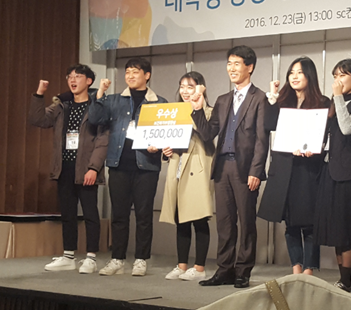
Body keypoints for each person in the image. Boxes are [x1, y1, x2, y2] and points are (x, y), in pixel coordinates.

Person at [190, 45, 269, 289]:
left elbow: (262, 139)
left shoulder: (259, 98)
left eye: (237, 64)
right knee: (224, 222)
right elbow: (208, 134)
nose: (231, 68)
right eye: (229, 64)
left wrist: (256, 170)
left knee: (246, 222)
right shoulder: (223, 100)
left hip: (245, 169)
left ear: (250, 67)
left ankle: (243, 271)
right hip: (222, 166)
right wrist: (197, 109)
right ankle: (224, 269)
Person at [88, 57, 168, 276]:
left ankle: (141, 259)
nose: (130, 76)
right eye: (128, 72)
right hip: (118, 164)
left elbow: (166, 134)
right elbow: (94, 119)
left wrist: (159, 146)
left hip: (146, 166)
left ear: (147, 75)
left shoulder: (159, 102)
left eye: (135, 72)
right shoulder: (114, 100)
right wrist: (100, 93)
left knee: (144, 215)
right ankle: (117, 259)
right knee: (119, 215)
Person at [29, 64, 108, 274]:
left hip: (86, 167)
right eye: (70, 77)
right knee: (68, 213)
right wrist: (40, 94)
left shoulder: (97, 105)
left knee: (90, 213)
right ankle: (68, 256)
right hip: (64, 166)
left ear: (89, 81)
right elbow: (37, 119)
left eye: (78, 76)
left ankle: (91, 257)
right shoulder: (62, 105)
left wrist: (94, 167)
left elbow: (103, 140)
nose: (73, 80)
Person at [258, 57, 330, 276]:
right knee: (290, 221)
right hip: (284, 167)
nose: (294, 77)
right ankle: (296, 268)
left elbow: (324, 133)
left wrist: (314, 149)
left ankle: (309, 269)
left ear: (310, 75)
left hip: (307, 169)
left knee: (309, 221)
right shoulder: (282, 101)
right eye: (291, 73)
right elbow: (269, 124)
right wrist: (272, 97)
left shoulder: (322, 102)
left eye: (299, 72)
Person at [314, 58, 351, 293]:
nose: (337, 80)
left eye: (342, 75)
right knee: (337, 228)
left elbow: (348, 127)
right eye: (335, 76)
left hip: (350, 174)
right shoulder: (335, 104)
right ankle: (343, 281)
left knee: (348, 228)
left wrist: (338, 97)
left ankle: (347, 281)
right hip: (330, 171)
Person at [160, 72, 215, 282]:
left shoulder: (209, 112)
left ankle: (199, 267)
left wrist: (195, 109)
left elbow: (207, 136)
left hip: (197, 168)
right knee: (180, 218)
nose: (185, 91)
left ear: (201, 88)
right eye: (182, 86)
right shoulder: (173, 112)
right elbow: (169, 140)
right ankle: (181, 265)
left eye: (190, 86)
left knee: (199, 218)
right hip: (178, 166)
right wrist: (166, 151)